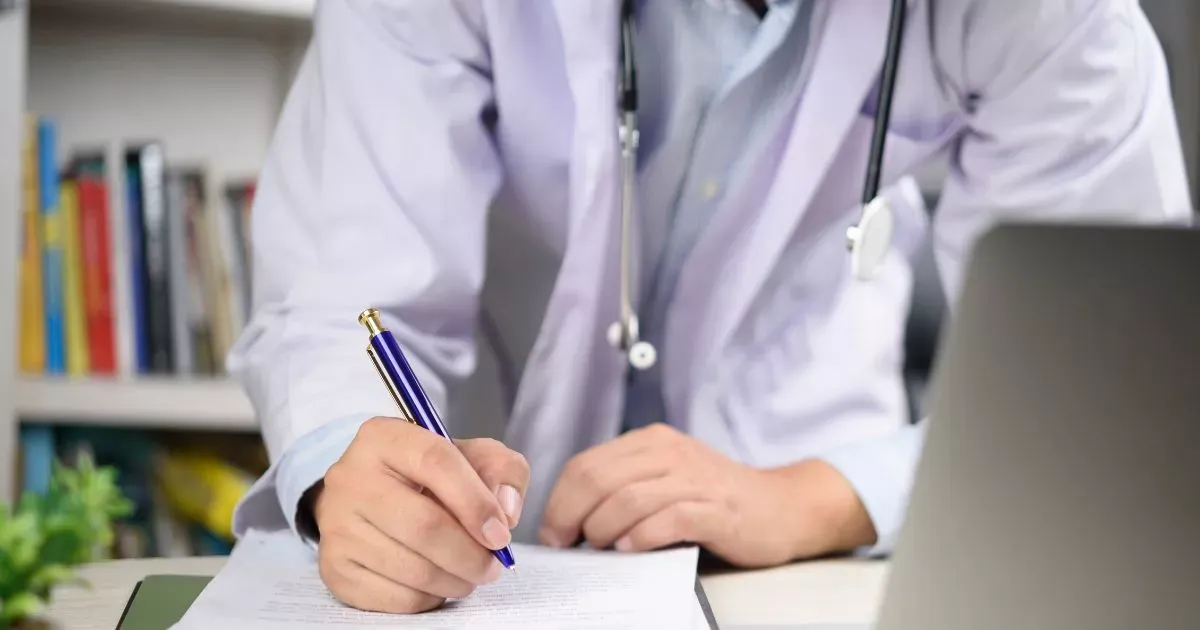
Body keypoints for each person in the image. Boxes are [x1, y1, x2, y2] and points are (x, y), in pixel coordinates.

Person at [227, 0, 1192, 616]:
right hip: (483, 556)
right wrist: (348, 459)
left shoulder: (1060, 20)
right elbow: (338, 287)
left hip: (800, 554)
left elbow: (1111, 396)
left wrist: (812, 499)